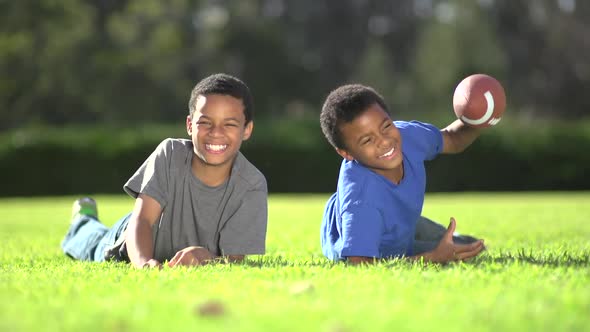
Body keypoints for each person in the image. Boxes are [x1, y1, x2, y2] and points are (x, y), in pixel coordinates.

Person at [61, 73, 268, 269]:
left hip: (157, 236)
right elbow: (141, 220)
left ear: (247, 129)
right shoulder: (170, 154)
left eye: (229, 124)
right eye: (205, 122)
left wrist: (206, 259)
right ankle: (83, 219)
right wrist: (144, 263)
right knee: (91, 243)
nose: (216, 133)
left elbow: (234, 261)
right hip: (131, 242)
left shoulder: (252, 185)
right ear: (189, 125)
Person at [319, 84, 486, 264]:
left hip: (400, 221)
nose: (384, 141)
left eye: (386, 126)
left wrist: (481, 116)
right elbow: (359, 263)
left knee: (472, 246)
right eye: (367, 140)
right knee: (455, 254)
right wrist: (433, 258)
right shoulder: (361, 203)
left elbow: (453, 139)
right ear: (347, 154)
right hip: (370, 241)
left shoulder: (407, 136)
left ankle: (440, 238)